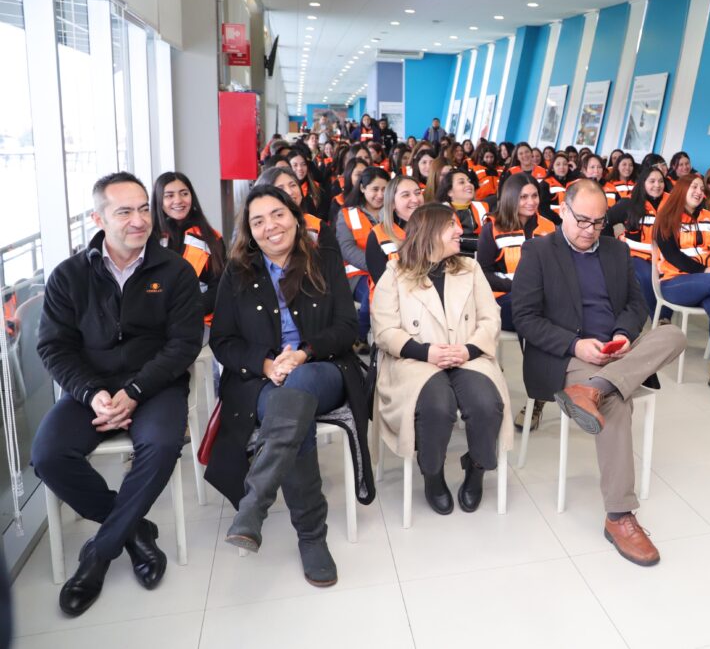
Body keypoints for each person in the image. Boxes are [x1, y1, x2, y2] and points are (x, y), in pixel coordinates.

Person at [32, 172, 202, 616]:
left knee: (163, 444)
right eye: (124, 211)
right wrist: (92, 394)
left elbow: (184, 344)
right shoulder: (69, 276)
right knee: (47, 455)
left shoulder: (176, 270)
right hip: (90, 390)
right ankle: (135, 531)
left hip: (155, 386)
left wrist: (135, 390)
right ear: (99, 217)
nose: (139, 220)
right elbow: (53, 346)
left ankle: (98, 554)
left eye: (144, 208)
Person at [511, 180, 686, 566]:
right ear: (563, 211)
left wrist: (623, 336)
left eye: (598, 223)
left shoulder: (616, 251)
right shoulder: (538, 251)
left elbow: (637, 305)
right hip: (567, 354)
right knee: (617, 406)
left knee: (673, 335)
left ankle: (595, 389)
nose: (590, 230)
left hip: (616, 353)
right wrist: (576, 345)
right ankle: (619, 516)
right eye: (582, 221)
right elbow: (523, 318)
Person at [206, 185, 373, 587]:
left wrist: (302, 354)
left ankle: (255, 505)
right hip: (260, 380)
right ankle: (311, 536)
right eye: (258, 221)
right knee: (291, 410)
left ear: (295, 218)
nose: (270, 227)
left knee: (296, 389)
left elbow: (347, 328)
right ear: (249, 230)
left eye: (278, 215)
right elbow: (222, 341)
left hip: (322, 367)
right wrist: (265, 364)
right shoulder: (238, 270)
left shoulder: (323, 259)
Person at [371, 204, 512, 515]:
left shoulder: (470, 269)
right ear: (430, 232)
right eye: (452, 225)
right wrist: (426, 352)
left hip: (467, 353)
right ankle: (432, 474)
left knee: (486, 404)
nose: (461, 230)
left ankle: (476, 468)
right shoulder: (394, 273)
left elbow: (491, 318)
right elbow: (384, 330)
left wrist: (469, 350)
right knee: (437, 406)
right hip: (414, 360)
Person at [655, 174, 710, 396]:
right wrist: (705, 271)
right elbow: (673, 256)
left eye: (701, 188)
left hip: (706, 283)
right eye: (693, 187)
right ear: (681, 190)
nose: (698, 191)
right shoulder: (666, 218)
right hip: (674, 284)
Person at [476, 173, 554, 333]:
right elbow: (482, 273)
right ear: (511, 198)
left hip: (541, 298)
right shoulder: (491, 228)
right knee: (531, 310)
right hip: (504, 298)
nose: (531, 202)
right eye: (523, 197)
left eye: (534, 196)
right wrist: (517, 287)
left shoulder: (550, 227)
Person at [151, 171, 226, 332]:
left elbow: (219, 286)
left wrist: (187, 312)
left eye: (184, 193)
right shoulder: (149, 239)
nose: (178, 200)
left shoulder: (212, 238)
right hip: (155, 324)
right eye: (169, 195)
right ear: (159, 201)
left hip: (200, 322)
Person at [336, 166, 390, 344]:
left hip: (392, 271)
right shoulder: (347, 215)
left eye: (385, 189)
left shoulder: (394, 213)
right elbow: (347, 249)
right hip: (359, 275)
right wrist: (379, 268)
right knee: (373, 295)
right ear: (362, 188)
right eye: (375, 189)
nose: (380, 195)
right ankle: (356, 339)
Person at [606, 166, 668, 321]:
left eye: (660, 181)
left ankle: (666, 317)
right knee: (648, 277)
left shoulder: (672, 203)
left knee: (668, 277)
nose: (657, 185)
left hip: (663, 257)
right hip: (635, 255)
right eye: (652, 181)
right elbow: (606, 220)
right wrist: (610, 245)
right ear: (643, 183)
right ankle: (659, 319)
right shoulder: (629, 203)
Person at [255, 166, 340, 256]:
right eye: (280, 188)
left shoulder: (317, 225)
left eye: (293, 185)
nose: (290, 192)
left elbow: (333, 263)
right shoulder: (259, 230)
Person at [366, 175, 423, 286]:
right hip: (394, 298)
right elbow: (383, 285)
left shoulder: (434, 228)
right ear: (392, 203)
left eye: (418, 193)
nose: (415, 199)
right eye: (406, 195)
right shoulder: (378, 235)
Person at [436, 167, 489, 256]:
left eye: (469, 181)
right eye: (461, 182)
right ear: (449, 192)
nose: (469, 184)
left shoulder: (483, 207)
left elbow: (491, 238)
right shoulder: (440, 212)